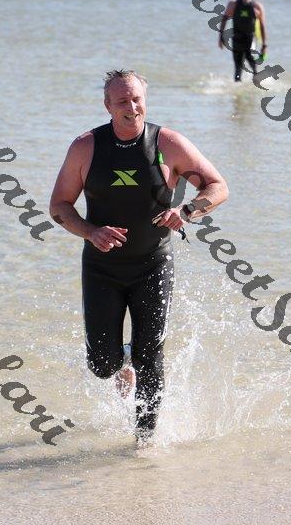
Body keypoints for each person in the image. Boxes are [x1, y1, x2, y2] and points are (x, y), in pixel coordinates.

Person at [49, 70, 228, 445]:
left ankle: (143, 442)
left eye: (137, 99)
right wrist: (90, 231)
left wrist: (188, 211)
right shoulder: (86, 147)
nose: (131, 108)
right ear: (107, 106)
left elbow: (217, 186)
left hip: (153, 265)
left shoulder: (169, 144)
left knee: (151, 356)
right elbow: (60, 206)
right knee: (102, 364)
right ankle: (121, 362)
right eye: (122, 101)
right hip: (101, 268)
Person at [219, 0, 267, 82]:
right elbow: (224, 19)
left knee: (249, 56)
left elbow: (262, 26)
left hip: (250, 38)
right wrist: (221, 37)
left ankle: (256, 76)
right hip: (237, 38)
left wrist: (264, 45)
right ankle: (237, 88)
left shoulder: (257, 7)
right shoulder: (233, 4)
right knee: (238, 67)